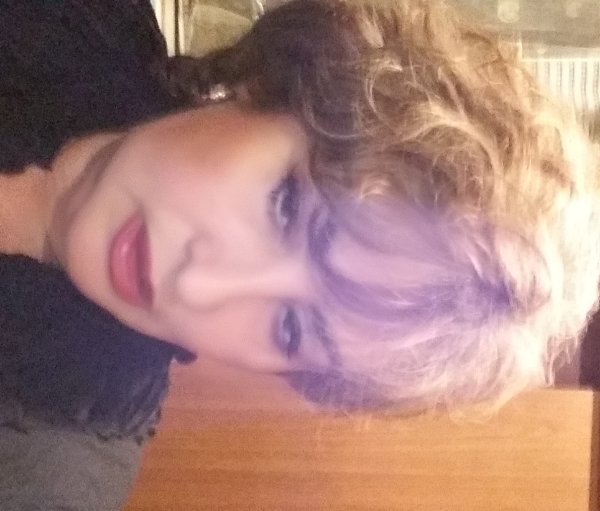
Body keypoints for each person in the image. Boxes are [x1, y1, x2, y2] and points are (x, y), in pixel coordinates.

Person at [1, 0, 599, 509]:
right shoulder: (76, 19)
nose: (198, 286)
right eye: (284, 206)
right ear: (272, 87)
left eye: (289, 328)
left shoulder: (39, 475)